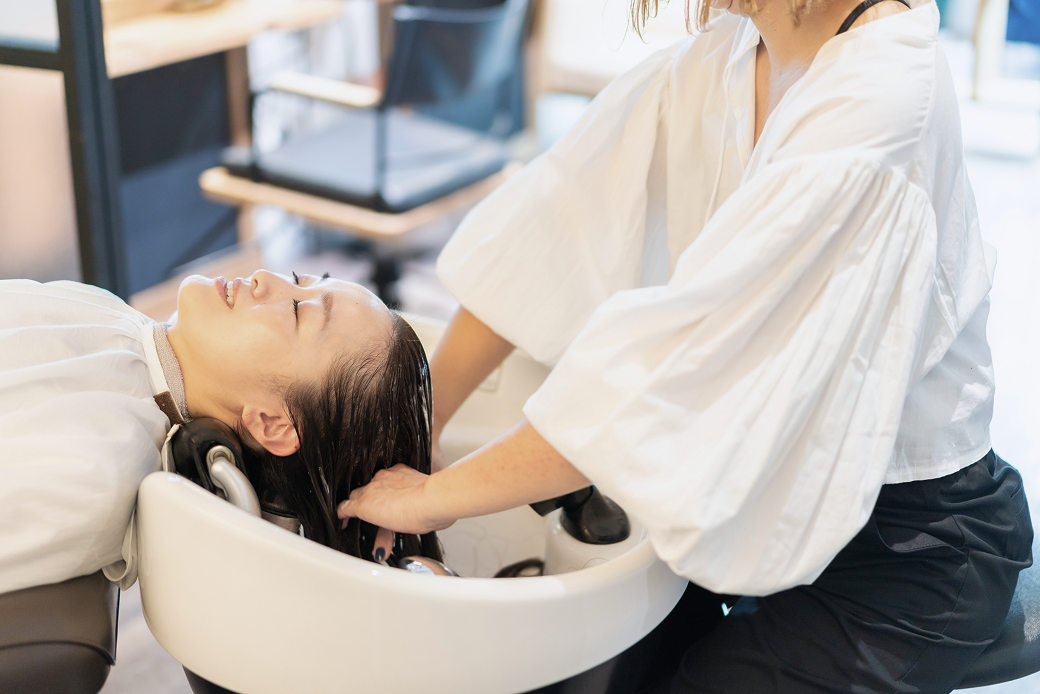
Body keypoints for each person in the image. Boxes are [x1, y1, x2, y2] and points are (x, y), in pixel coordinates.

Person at [336, 0, 1034, 691]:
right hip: (757, 493)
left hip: (909, 551)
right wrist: (423, 424)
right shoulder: (730, 54)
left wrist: (434, 498)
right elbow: (557, 225)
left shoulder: (879, 101)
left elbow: (670, 374)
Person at [0, 270, 438, 597]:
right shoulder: (102, 306)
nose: (264, 278)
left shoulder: (98, 467)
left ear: (272, 423)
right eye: (296, 279)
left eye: (296, 311)